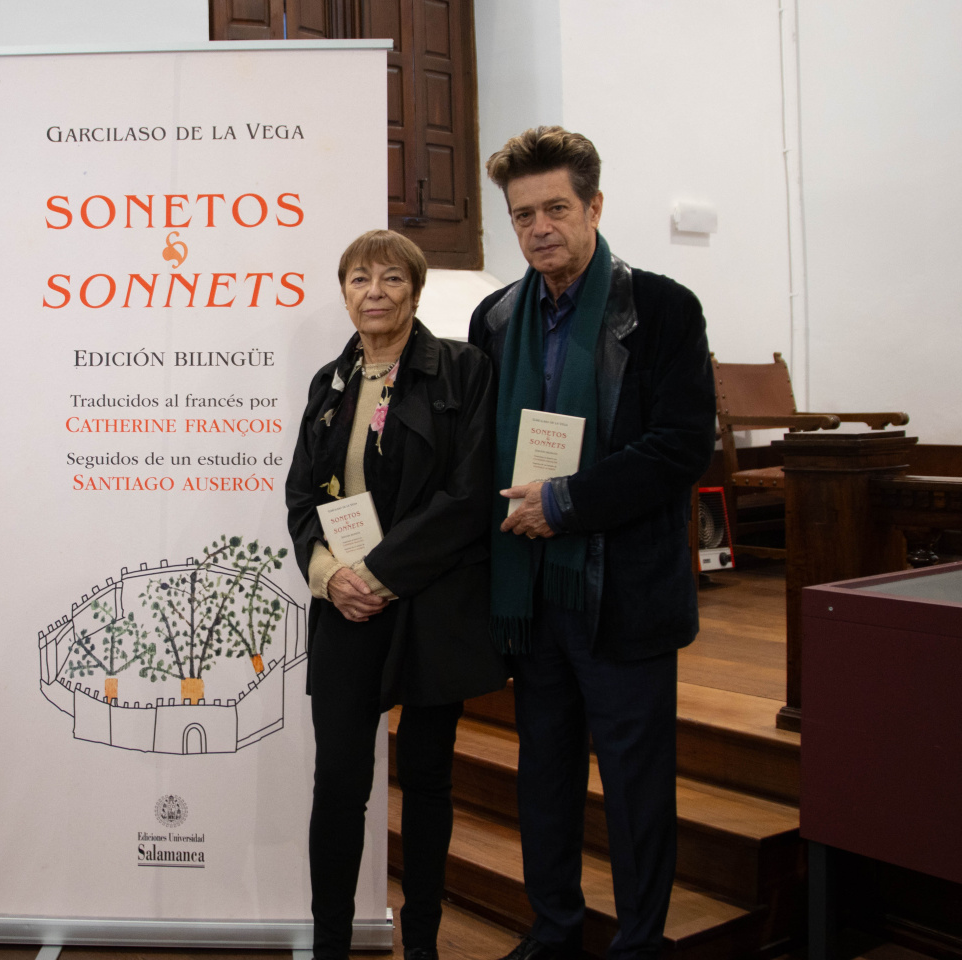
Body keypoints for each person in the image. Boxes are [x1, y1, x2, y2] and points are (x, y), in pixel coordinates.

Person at [469, 127, 716, 960]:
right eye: (522, 214)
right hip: (533, 594)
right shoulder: (496, 318)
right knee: (544, 776)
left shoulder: (663, 310)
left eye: (556, 208)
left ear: (595, 207)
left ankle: (641, 941)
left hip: (622, 591)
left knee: (636, 786)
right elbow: (479, 451)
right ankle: (556, 930)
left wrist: (565, 502)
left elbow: (682, 446)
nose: (539, 227)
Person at [286, 229, 508, 960]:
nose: (372, 291)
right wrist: (329, 577)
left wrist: (379, 574)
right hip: (345, 605)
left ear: (415, 289)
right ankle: (329, 947)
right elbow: (301, 498)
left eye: (388, 278)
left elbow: (468, 494)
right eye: (357, 278)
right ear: (343, 290)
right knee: (339, 784)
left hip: (430, 604)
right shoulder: (330, 382)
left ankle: (422, 944)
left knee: (429, 779)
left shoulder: (464, 371)